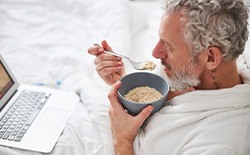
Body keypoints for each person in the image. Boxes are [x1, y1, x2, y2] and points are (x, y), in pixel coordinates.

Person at [88, 0, 250, 154]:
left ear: (210, 58)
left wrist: (122, 140)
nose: (155, 53)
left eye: (169, 46)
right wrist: (122, 82)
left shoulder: (220, 145)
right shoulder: (191, 76)